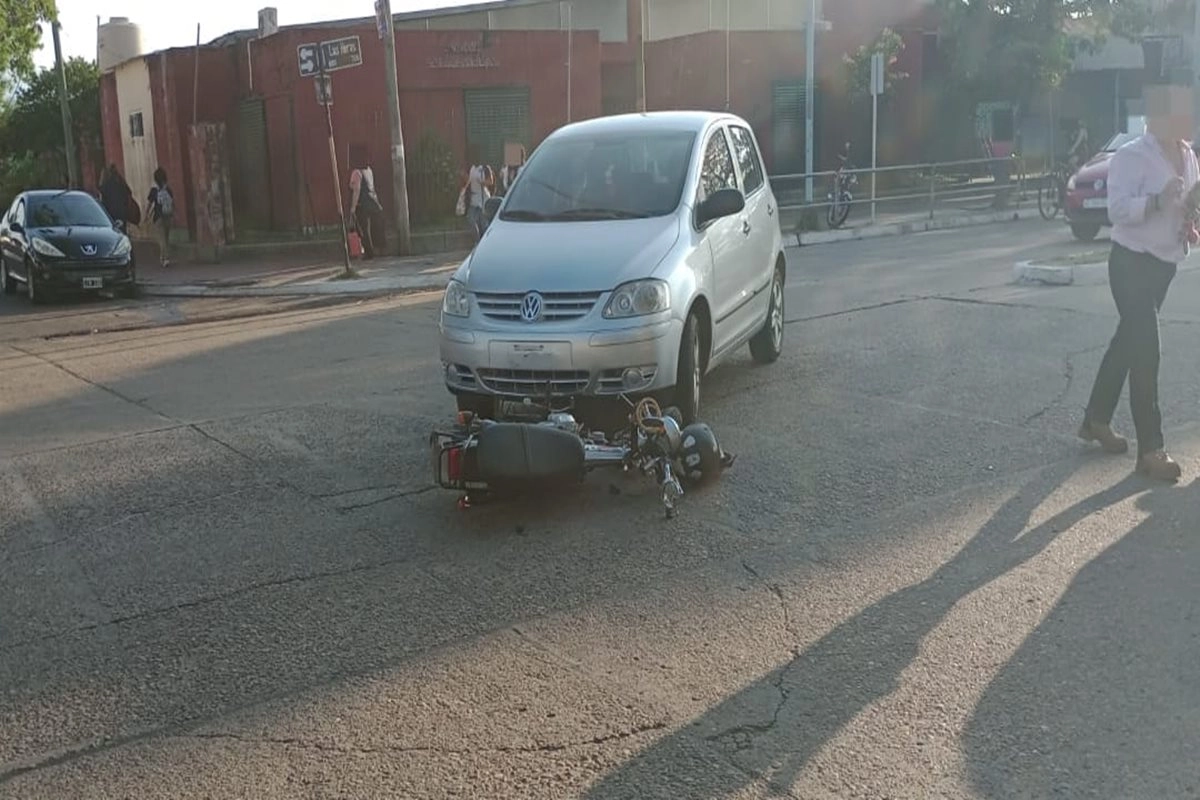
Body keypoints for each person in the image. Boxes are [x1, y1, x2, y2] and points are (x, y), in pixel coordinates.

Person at [1077, 82, 1198, 481]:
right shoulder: (1132, 156)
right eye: (1179, 111)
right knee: (1146, 349)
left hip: (1163, 265)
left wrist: (1188, 223)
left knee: (1127, 344)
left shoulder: (1189, 156)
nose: (1187, 118)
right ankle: (1151, 450)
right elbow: (1117, 210)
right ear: (1157, 118)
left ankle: (1095, 419)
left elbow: (1182, 209)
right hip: (1129, 263)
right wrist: (1156, 201)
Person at [348, 148, 385, 259]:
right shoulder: (368, 170)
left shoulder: (356, 172)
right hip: (373, 202)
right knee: (375, 227)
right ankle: (380, 250)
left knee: (364, 229)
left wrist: (353, 208)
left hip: (362, 204)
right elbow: (371, 187)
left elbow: (356, 190)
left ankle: (369, 253)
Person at [146, 166, 174, 267]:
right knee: (166, 239)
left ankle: (165, 258)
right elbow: (172, 203)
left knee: (162, 240)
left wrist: (146, 215)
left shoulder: (154, 191)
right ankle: (163, 258)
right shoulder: (168, 190)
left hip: (158, 218)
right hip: (168, 216)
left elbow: (149, 204)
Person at [461, 154, 493, 241]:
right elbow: (469, 181)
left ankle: (485, 242)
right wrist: (464, 177)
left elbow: (491, 182)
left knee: (484, 223)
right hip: (474, 199)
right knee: (471, 219)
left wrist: (482, 182)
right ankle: (477, 240)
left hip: (483, 199)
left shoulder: (485, 168)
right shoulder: (471, 168)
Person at [99, 163, 136, 232]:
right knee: (122, 231)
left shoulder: (106, 185)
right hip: (122, 212)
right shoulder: (121, 182)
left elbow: (103, 199)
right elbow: (129, 193)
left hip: (111, 214)